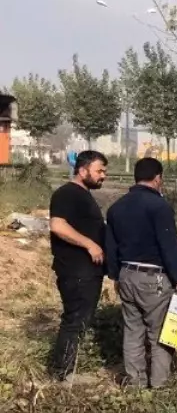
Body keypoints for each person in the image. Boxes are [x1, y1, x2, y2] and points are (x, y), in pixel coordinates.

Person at [105, 157, 177, 389]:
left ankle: (135, 384)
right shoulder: (159, 207)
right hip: (154, 279)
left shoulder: (116, 207)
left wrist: (114, 275)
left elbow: (110, 246)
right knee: (160, 334)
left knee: (133, 332)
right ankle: (160, 386)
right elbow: (169, 245)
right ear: (158, 178)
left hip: (126, 275)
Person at [46, 150, 108, 380]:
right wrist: (90, 245)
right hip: (76, 271)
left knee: (79, 319)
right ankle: (62, 374)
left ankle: (66, 370)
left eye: (104, 171)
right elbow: (57, 226)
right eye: (99, 170)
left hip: (87, 272)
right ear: (82, 171)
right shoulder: (67, 194)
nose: (103, 175)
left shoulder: (83, 194)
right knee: (75, 320)